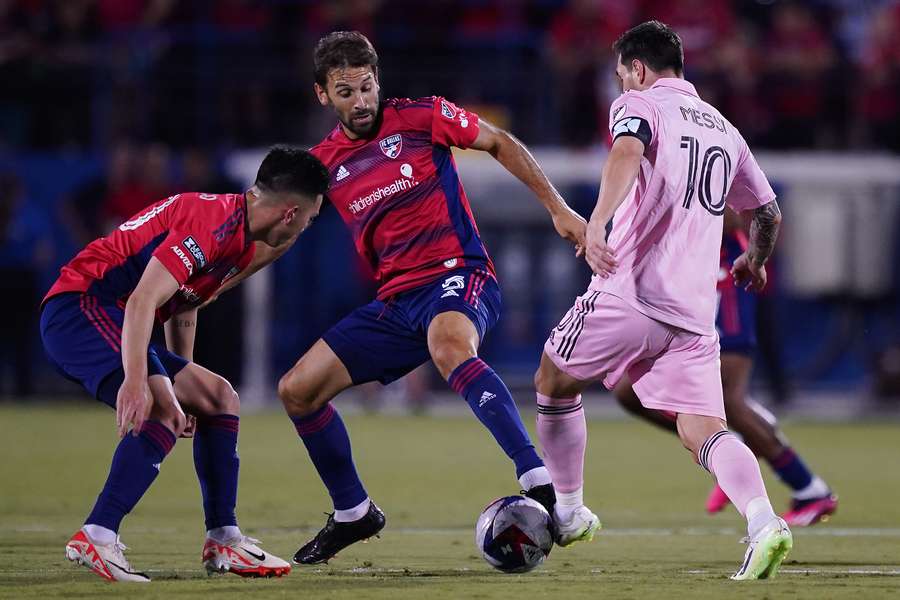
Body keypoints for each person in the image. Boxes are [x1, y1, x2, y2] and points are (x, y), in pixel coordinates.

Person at [278, 31, 586, 565]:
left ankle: (538, 479)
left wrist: (558, 208)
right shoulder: (322, 165)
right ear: (322, 95)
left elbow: (499, 142)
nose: (361, 101)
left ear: (379, 82)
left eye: (367, 87)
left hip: (459, 275)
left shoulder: (422, 117)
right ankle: (354, 512)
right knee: (297, 390)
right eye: (345, 92)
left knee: (449, 345)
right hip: (396, 303)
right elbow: (280, 228)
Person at [533, 21, 792, 580]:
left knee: (552, 381)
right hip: (696, 312)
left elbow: (626, 151)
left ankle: (572, 511)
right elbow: (767, 213)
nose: (621, 83)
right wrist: (756, 260)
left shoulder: (641, 105)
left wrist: (597, 221)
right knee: (704, 428)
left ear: (638, 69)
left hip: (632, 290)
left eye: (622, 73)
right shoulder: (725, 129)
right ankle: (764, 522)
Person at [40, 146, 329, 582]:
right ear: (289, 214)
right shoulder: (211, 223)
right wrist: (138, 382)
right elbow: (141, 300)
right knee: (161, 410)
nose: (308, 227)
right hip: (81, 308)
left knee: (217, 397)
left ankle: (224, 538)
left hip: (116, 317)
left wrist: (184, 380)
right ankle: (97, 534)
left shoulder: (236, 230)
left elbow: (183, 306)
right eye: (310, 218)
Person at [614, 214, 838, 527]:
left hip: (725, 279)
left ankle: (810, 489)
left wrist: (683, 203)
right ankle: (727, 446)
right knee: (629, 390)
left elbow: (742, 214)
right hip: (681, 282)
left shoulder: (721, 165)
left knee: (729, 399)